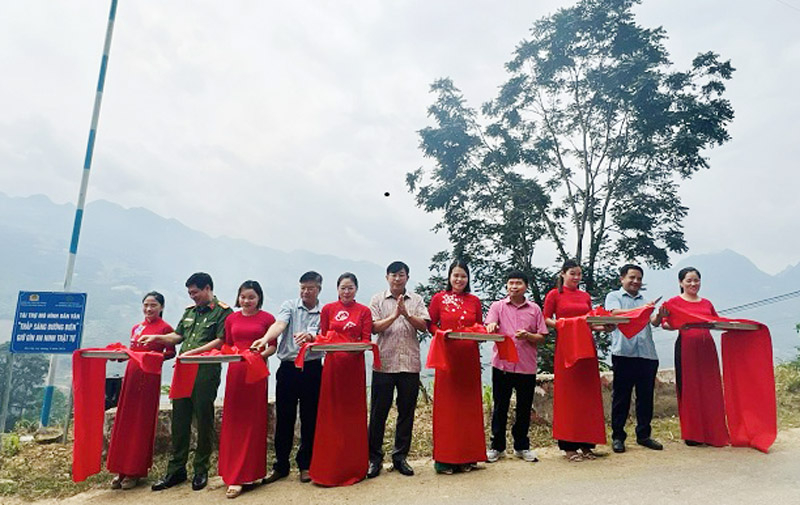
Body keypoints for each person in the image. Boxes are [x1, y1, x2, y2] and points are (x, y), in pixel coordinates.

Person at [182, 280, 276, 499]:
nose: (247, 301)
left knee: (254, 422)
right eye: (243, 297)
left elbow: (272, 346)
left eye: (251, 297)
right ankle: (233, 475)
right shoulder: (231, 318)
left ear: (259, 298)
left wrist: (256, 356)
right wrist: (197, 353)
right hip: (235, 374)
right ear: (238, 297)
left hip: (256, 374)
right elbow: (226, 344)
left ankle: (251, 473)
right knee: (234, 421)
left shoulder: (268, 319)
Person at [142, 272, 232, 492]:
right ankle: (176, 470)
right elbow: (177, 336)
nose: (193, 297)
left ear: (208, 289)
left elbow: (221, 340)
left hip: (205, 371)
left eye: (196, 292)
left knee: (203, 419)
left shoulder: (223, 311)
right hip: (183, 369)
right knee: (179, 419)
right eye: (190, 293)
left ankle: (201, 469)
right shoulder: (189, 312)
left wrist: (194, 353)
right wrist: (157, 338)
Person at [251, 271, 324, 485]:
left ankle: (306, 465)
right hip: (288, 368)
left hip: (311, 368)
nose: (305, 292)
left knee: (310, 418)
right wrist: (265, 339)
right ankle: (281, 465)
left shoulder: (324, 311)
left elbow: (324, 335)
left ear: (318, 288)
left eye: (310, 288)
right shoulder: (290, 305)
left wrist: (312, 337)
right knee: (284, 417)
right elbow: (280, 324)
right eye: (302, 287)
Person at [309, 272, 373, 486]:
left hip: (354, 369)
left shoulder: (364, 311)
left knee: (352, 416)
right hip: (333, 368)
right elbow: (325, 337)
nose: (346, 292)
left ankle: (353, 467)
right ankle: (328, 468)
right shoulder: (328, 309)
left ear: (356, 289)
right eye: (343, 288)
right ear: (337, 289)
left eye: (350, 288)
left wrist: (350, 350)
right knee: (331, 416)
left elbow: (366, 340)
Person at [107, 292, 175, 490]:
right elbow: (132, 351)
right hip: (131, 375)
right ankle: (120, 469)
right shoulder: (136, 328)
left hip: (149, 377)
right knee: (126, 420)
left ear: (161, 307)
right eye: (146, 305)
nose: (149, 309)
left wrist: (153, 357)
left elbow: (170, 352)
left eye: (153, 305)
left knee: (140, 422)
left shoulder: (165, 328)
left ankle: (134, 471)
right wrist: (120, 355)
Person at [367, 261, 429, 478]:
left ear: (407, 277)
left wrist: (407, 314)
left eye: (401, 275)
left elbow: (425, 326)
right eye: (393, 275)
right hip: (384, 363)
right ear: (387, 277)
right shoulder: (377, 299)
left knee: (406, 412)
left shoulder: (417, 300)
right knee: (378, 413)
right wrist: (395, 315)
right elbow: (373, 327)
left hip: (409, 364)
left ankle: (400, 457)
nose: (397, 278)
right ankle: (374, 459)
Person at [428, 259, 485, 475]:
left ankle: (468, 456)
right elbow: (430, 324)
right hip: (447, 357)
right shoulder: (439, 298)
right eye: (456, 275)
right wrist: (441, 334)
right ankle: (445, 459)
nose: (459, 279)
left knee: (468, 406)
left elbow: (478, 325)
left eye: (463, 276)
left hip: (469, 357)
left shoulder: (474, 301)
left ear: (468, 278)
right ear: (449, 277)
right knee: (447, 408)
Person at [661, 267, 729, 447]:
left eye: (696, 280)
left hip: (707, 348)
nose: (693, 284)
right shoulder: (673, 302)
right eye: (689, 280)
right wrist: (679, 326)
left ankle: (713, 432)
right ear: (681, 283)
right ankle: (693, 434)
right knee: (690, 389)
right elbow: (665, 324)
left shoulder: (706, 303)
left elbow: (716, 322)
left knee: (710, 388)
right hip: (686, 347)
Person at [543, 259, 604, 462]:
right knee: (568, 396)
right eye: (572, 273)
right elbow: (545, 319)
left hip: (586, 347)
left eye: (579, 274)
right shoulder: (554, 294)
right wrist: (562, 324)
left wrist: (606, 327)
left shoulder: (585, 296)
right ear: (563, 274)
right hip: (567, 346)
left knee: (587, 395)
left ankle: (587, 444)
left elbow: (591, 322)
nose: (576, 277)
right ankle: (569, 446)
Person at [484, 270, 548, 464]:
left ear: (525, 286)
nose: (514, 286)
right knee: (500, 407)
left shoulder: (534, 309)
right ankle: (497, 447)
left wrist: (528, 336)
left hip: (526, 366)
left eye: (518, 283)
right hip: (502, 365)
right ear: (506, 286)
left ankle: (521, 446)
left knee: (523, 408)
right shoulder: (498, 306)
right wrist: (492, 326)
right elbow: (490, 324)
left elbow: (542, 337)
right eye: (510, 283)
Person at [604, 264, 664, 454]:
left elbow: (653, 321)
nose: (636, 281)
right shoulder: (614, 297)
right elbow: (614, 314)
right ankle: (618, 437)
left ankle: (644, 435)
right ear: (622, 279)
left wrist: (659, 314)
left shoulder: (646, 300)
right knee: (621, 397)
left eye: (639, 278)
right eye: (632, 277)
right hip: (624, 353)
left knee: (645, 397)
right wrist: (642, 309)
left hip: (647, 354)